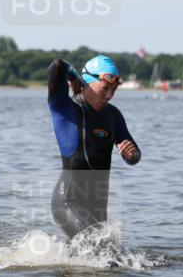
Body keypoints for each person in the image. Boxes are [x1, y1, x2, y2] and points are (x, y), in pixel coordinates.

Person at [48, 55, 140, 238]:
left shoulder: (113, 115)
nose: (109, 96)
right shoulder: (65, 107)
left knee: (104, 260)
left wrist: (131, 154)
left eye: (113, 90)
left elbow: (135, 155)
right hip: (68, 201)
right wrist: (74, 78)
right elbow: (57, 66)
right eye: (105, 88)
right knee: (101, 251)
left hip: (97, 204)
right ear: (88, 83)